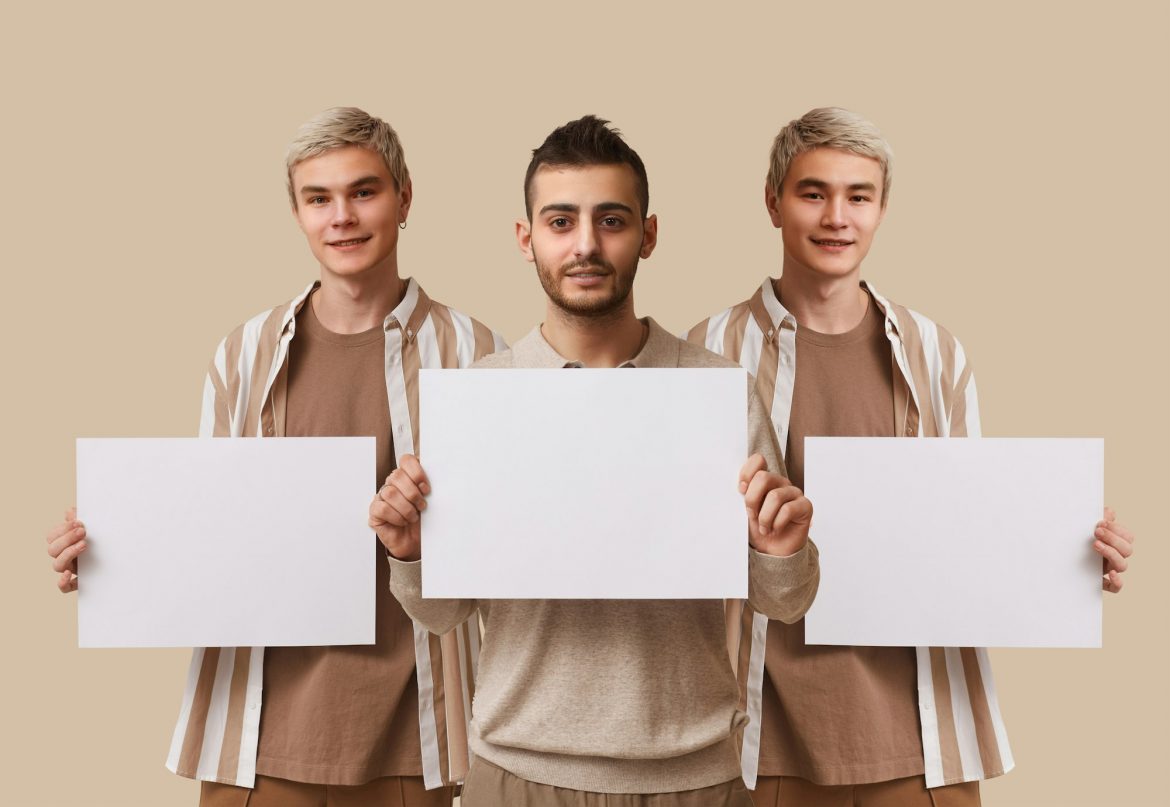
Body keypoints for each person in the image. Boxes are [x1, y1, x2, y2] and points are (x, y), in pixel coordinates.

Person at [45, 107, 505, 806]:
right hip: (254, 739)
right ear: (296, 212)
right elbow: (206, 533)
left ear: (404, 197)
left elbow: (499, 553)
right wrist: (113, 561)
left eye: (363, 191)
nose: (341, 216)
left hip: (413, 745)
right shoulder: (243, 355)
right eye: (318, 198)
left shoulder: (475, 354)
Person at [687, 106, 1137, 807]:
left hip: (923, 736)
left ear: (881, 209)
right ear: (772, 201)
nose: (838, 216)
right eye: (814, 192)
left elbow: (973, 530)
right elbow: (685, 543)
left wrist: (1070, 562)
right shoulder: (708, 350)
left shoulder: (936, 353)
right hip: (763, 742)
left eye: (859, 196)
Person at [370, 115, 821, 807]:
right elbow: (444, 611)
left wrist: (783, 549)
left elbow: (783, 600)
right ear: (526, 239)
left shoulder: (716, 388)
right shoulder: (482, 395)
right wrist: (409, 552)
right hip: (516, 771)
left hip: (693, 773)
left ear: (648, 233)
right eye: (561, 221)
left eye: (611, 220)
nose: (586, 244)